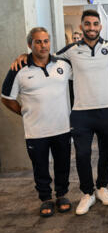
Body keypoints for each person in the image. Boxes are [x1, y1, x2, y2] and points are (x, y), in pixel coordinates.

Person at [10, 10, 108, 215]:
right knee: (83, 155)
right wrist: (24, 56)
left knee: (105, 153)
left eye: (96, 24)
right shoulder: (69, 52)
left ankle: (102, 186)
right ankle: (87, 192)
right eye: (87, 24)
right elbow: (44, 57)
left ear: (101, 27)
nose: (92, 28)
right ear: (81, 27)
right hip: (80, 112)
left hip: (106, 109)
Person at [1, 27, 72, 217]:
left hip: (62, 127)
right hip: (36, 131)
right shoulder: (18, 69)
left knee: (63, 164)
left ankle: (62, 195)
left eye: (46, 41)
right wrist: (25, 112)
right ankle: (46, 199)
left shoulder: (63, 65)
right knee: (40, 167)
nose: (43, 45)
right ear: (30, 45)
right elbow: (6, 97)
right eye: (38, 42)